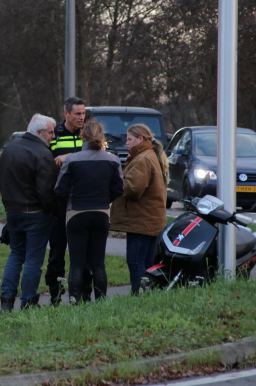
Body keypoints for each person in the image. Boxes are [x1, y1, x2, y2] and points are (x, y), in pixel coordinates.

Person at [54, 121, 124, 304]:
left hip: (76, 213)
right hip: (101, 213)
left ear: (82, 137)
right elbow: (118, 189)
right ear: (102, 137)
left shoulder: (72, 160)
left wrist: (70, 201)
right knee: (98, 262)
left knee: (77, 262)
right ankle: (100, 301)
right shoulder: (112, 160)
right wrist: (103, 200)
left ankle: (75, 300)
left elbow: (59, 189)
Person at [0, 114, 58, 311]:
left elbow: (0, 182)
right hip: (36, 213)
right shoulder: (42, 154)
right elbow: (46, 191)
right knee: (33, 259)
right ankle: (28, 301)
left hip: (13, 211)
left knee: (16, 255)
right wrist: (54, 211)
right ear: (39, 132)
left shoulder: (10, 148)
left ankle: (6, 299)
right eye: (50, 132)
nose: (53, 136)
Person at [109, 123, 169, 295]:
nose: (126, 143)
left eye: (129, 139)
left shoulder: (142, 159)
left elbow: (133, 189)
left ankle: (138, 297)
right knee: (148, 263)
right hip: (151, 220)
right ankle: (148, 297)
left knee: (136, 262)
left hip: (140, 221)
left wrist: (117, 181)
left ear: (140, 139)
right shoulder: (150, 155)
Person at [46, 96, 91, 305]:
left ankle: (84, 295)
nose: (82, 117)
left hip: (83, 199)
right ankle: (55, 296)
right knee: (57, 251)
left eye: (84, 113)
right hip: (60, 200)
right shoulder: (53, 134)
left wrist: (70, 156)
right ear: (66, 114)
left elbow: (101, 151)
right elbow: (44, 163)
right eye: (78, 114)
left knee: (84, 251)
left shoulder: (89, 133)